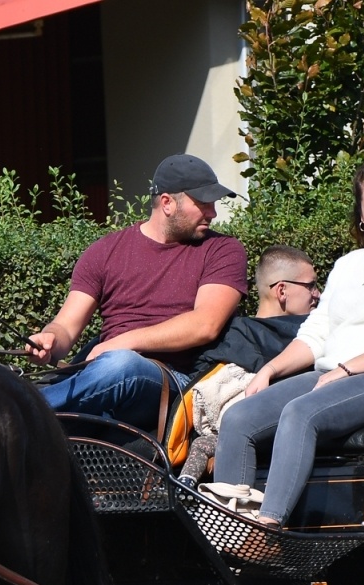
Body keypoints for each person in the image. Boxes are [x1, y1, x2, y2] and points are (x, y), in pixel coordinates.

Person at [207, 142, 364, 527]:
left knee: (300, 412)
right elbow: (317, 332)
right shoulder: (348, 264)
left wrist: (346, 369)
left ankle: (269, 527)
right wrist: (269, 371)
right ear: (361, 216)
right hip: (328, 373)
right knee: (239, 417)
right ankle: (232, 528)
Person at [27, 154, 247, 429]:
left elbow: (206, 325)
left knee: (121, 365)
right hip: (105, 372)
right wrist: (49, 340)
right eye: (203, 203)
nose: (213, 213)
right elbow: (66, 327)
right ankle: (22, 405)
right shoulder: (104, 252)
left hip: (175, 382)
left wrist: (121, 342)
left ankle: (17, 409)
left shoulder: (223, 251)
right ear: (167, 203)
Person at [177, 245, 320, 483]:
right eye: (311, 285)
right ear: (282, 291)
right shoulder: (315, 334)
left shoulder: (231, 336)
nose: (317, 294)